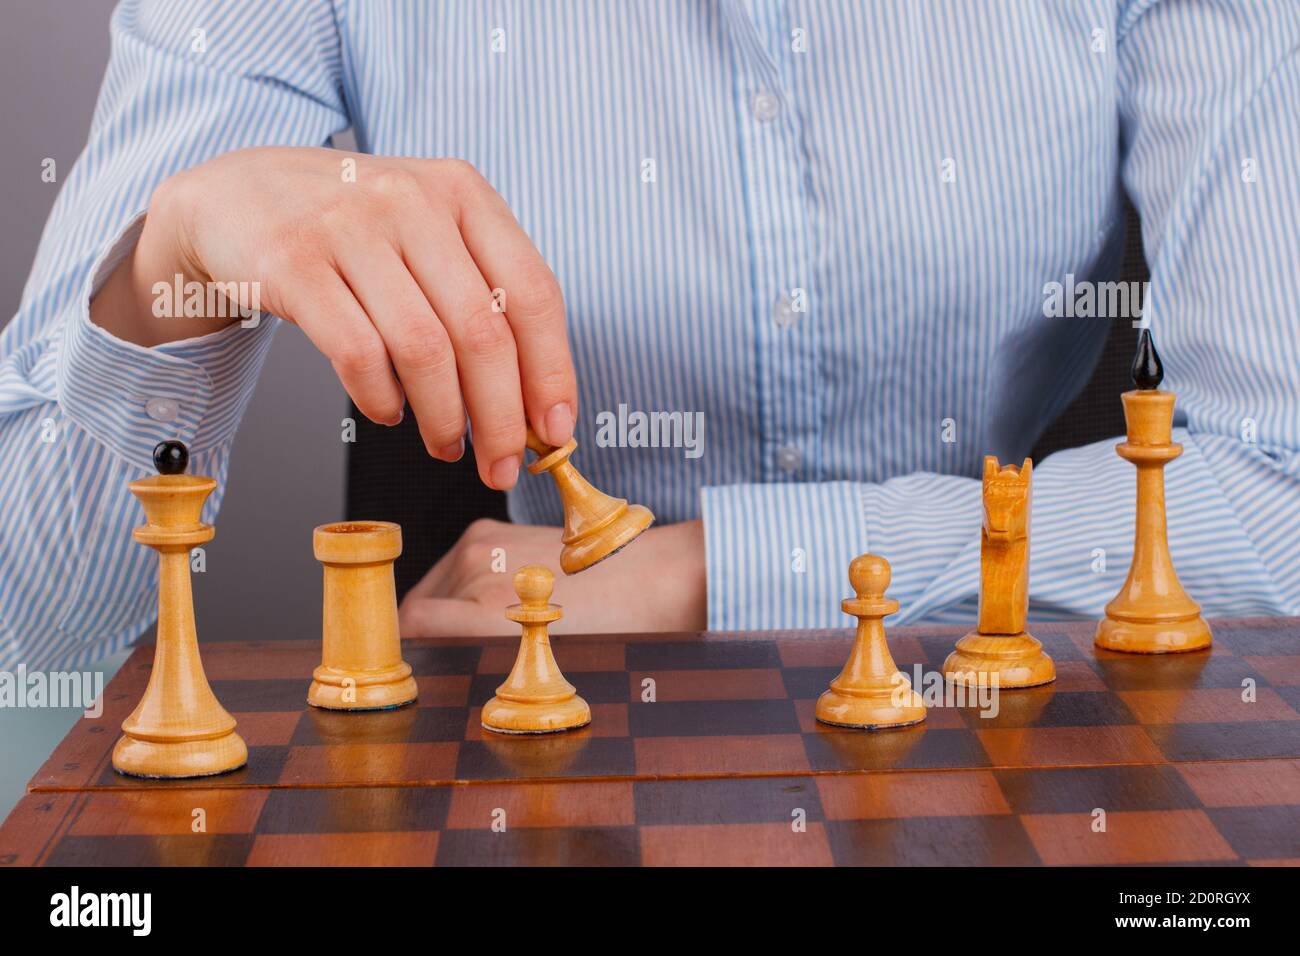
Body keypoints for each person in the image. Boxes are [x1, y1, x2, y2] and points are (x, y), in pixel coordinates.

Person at [2, 0, 1297, 671]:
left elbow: (1281, 497)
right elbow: (30, 645)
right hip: (540, 775)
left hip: (1033, 742)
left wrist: (705, 577)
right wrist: (165, 270)